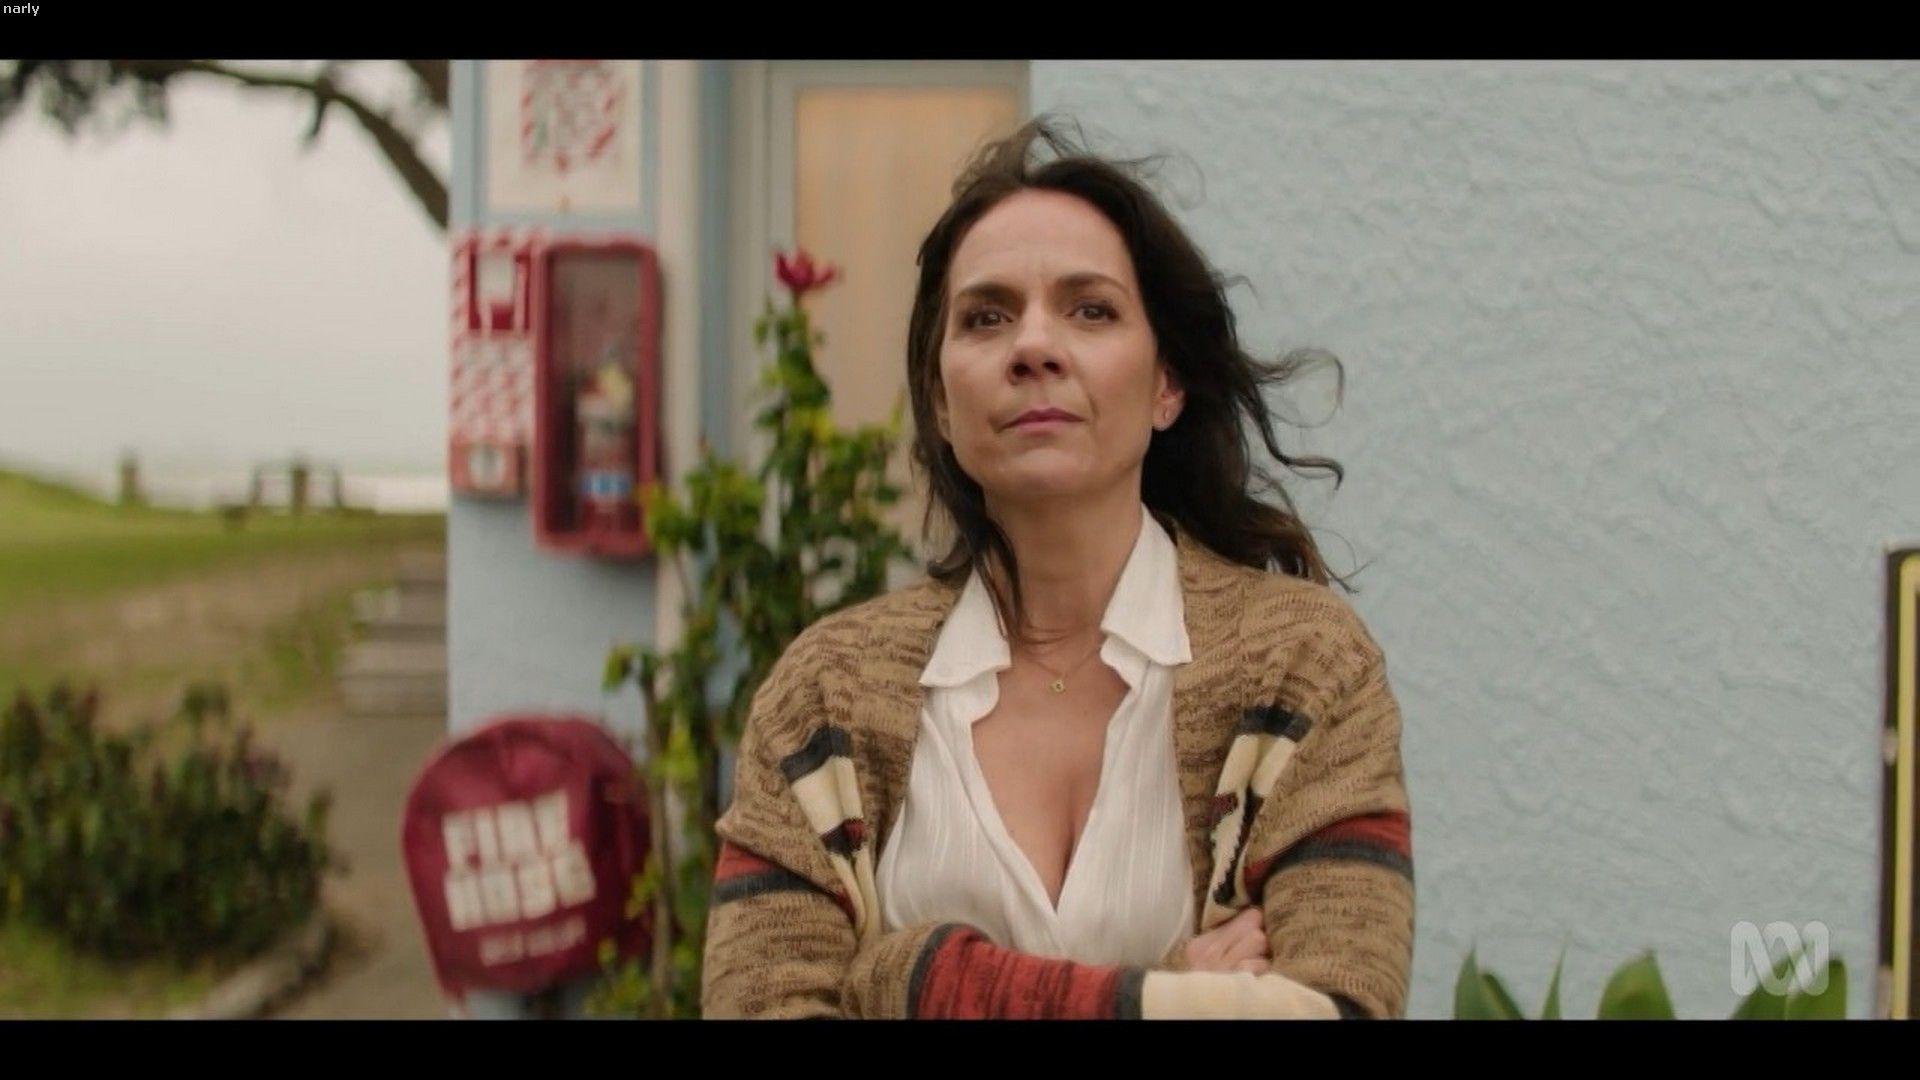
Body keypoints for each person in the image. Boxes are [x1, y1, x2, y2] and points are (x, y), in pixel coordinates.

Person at [701, 116, 1412, 1019]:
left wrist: (921, 980)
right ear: (940, 403)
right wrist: (1169, 989)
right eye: (986, 316)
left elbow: (1343, 1008)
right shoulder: (822, 699)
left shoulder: (1307, 667)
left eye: (1091, 310)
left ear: (1166, 385)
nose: (1033, 346)